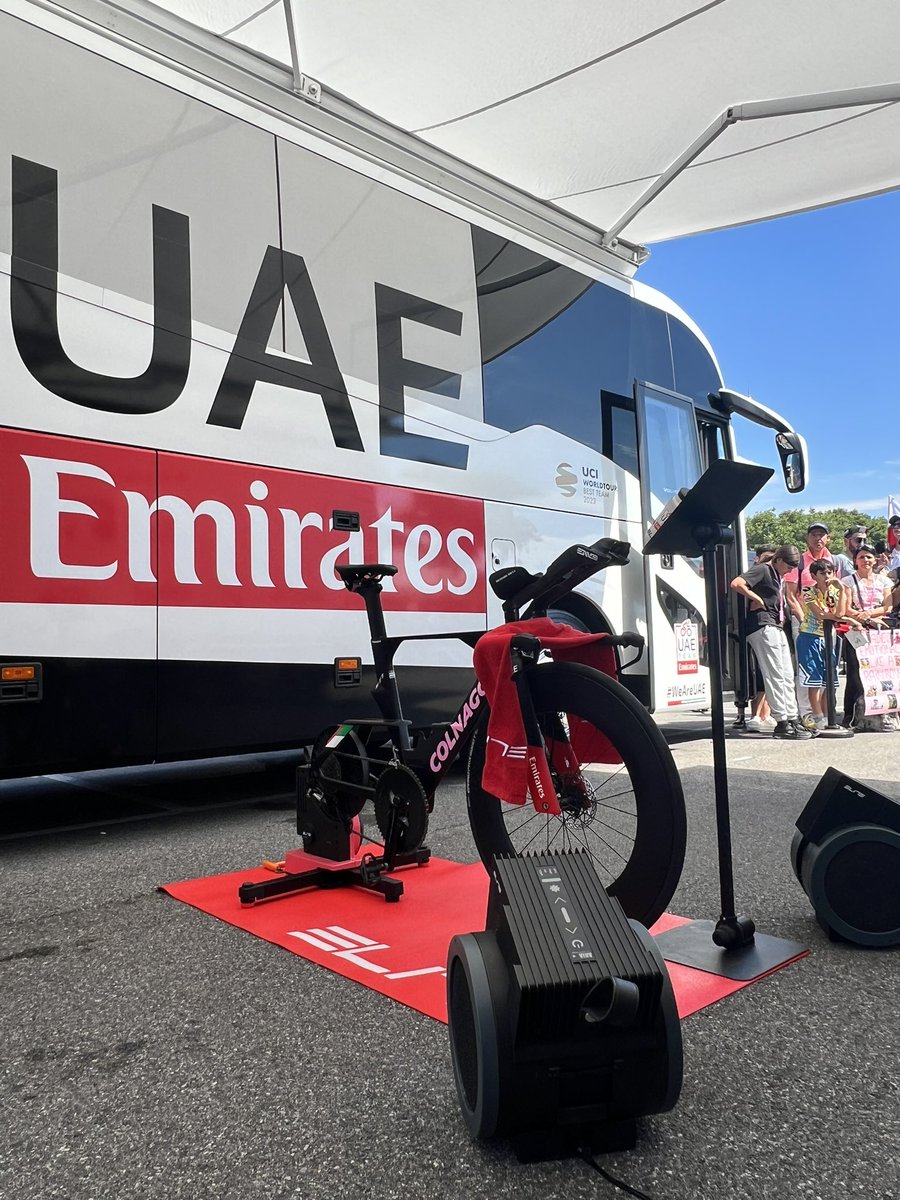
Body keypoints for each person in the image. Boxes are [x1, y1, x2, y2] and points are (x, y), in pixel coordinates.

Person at [730, 544, 813, 740]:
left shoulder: (778, 576)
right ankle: (782, 720)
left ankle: (792, 717)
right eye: (789, 566)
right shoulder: (764, 569)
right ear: (779, 560)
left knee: (785, 673)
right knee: (774, 673)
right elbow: (737, 583)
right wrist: (756, 598)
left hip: (775, 624)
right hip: (762, 624)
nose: (791, 570)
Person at [791, 559, 859, 730]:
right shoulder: (808, 592)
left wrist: (842, 589)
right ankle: (816, 715)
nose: (827, 576)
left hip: (829, 636)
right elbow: (821, 614)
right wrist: (846, 619)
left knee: (828, 678)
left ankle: (827, 715)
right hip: (810, 636)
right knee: (813, 679)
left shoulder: (835, 592)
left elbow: (839, 612)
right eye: (822, 573)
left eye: (830, 572)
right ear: (814, 576)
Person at [784, 522, 841, 718]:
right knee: (806, 668)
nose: (818, 538)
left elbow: (836, 591)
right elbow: (791, 595)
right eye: (814, 534)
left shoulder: (833, 561)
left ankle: (825, 713)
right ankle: (806, 714)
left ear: (828, 538)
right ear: (807, 538)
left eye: (822, 535)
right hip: (805, 622)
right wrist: (801, 619)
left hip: (828, 622)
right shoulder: (799, 561)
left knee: (827, 668)